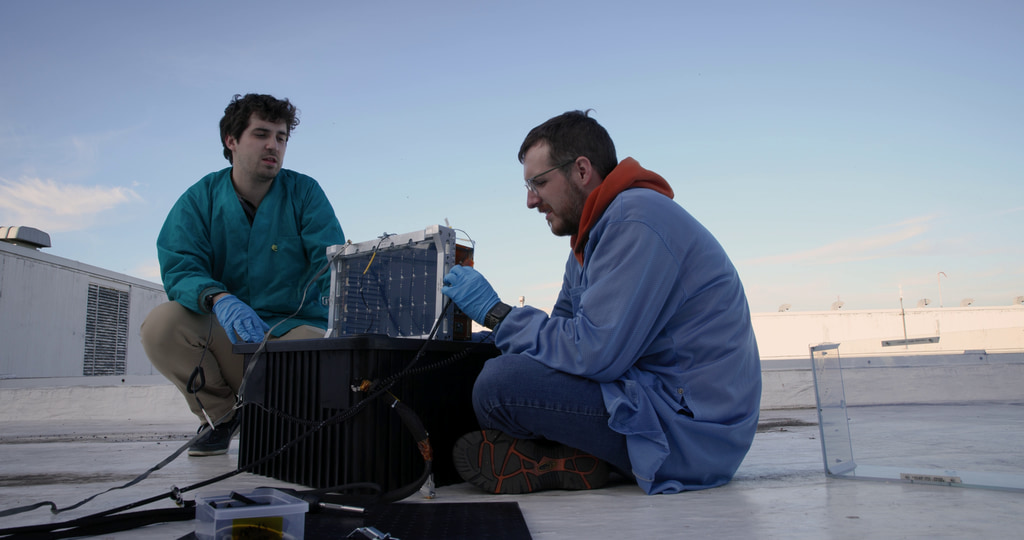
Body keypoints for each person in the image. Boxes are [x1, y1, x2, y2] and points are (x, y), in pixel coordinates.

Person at [442, 110, 761, 495]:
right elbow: (560, 336)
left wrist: (498, 314)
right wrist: (490, 337)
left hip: (694, 434)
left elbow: (595, 353)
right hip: (655, 400)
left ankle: (562, 455)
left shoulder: (636, 220)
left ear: (581, 170)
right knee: (480, 357)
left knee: (500, 385)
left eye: (539, 182)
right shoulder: (589, 241)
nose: (530, 201)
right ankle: (575, 459)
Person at [141, 94, 345, 456]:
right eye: (261, 134)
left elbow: (332, 265)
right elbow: (181, 264)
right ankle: (222, 417)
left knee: (322, 361)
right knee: (162, 324)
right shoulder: (199, 199)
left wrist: (343, 322)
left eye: (281, 138)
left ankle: (284, 417)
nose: (273, 145)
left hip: (292, 339)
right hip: (230, 337)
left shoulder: (305, 193)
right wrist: (218, 299)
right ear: (231, 141)